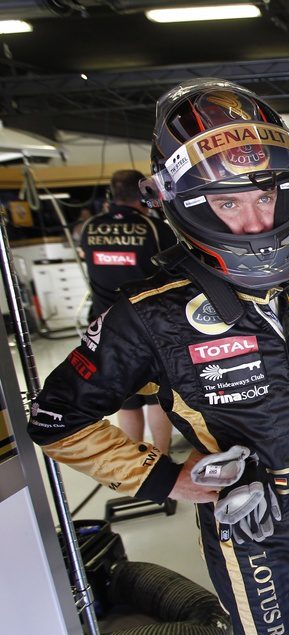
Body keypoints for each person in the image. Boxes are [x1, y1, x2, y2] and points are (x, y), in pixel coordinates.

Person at [27, 79, 289, 635]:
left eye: (265, 197)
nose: (254, 221)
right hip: (250, 525)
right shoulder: (150, 314)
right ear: (188, 204)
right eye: (228, 202)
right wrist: (166, 479)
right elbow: (55, 421)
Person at [78, 169, 179, 455]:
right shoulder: (154, 228)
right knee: (156, 399)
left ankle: (137, 462)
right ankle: (162, 456)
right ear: (144, 194)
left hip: (104, 326)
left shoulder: (90, 228)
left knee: (126, 399)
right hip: (146, 326)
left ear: (112, 194)